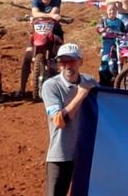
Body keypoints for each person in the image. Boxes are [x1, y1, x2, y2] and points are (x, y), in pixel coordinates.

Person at [42, 43, 98, 196]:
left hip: (86, 153)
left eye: (71, 61)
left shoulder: (90, 82)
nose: (67, 65)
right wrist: (80, 95)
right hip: (61, 154)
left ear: (80, 62)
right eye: (63, 61)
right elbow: (59, 121)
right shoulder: (51, 86)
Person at [17, 0, 64, 99]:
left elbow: (54, 12)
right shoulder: (36, 1)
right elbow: (36, 13)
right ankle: (22, 89)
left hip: (55, 32)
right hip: (37, 34)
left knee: (61, 56)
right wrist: (49, 16)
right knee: (27, 57)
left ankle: (62, 85)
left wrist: (42, 16)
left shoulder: (56, 0)